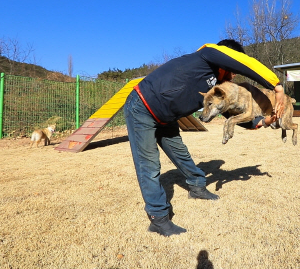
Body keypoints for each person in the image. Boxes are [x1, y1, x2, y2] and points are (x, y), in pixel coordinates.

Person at [123, 39, 286, 237]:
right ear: (226, 57)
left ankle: (197, 187)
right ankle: (158, 218)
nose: (234, 75)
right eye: (233, 70)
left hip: (166, 117)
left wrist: (262, 122)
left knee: (181, 153)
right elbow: (243, 63)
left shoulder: (218, 87)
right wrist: (276, 86)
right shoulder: (207, 55)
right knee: (148, 164)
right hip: (142, 107)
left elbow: (228, 111)